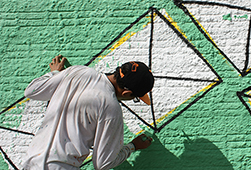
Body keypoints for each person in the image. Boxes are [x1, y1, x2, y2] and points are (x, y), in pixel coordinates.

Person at [23, 55, 155, 170]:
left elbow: (31, 91)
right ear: (127, 93)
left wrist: (55, 73)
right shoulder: (111, 108)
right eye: (135, 98)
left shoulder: (78, 71)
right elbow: (102, 163)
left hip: (31, 162)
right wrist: (132, 147)